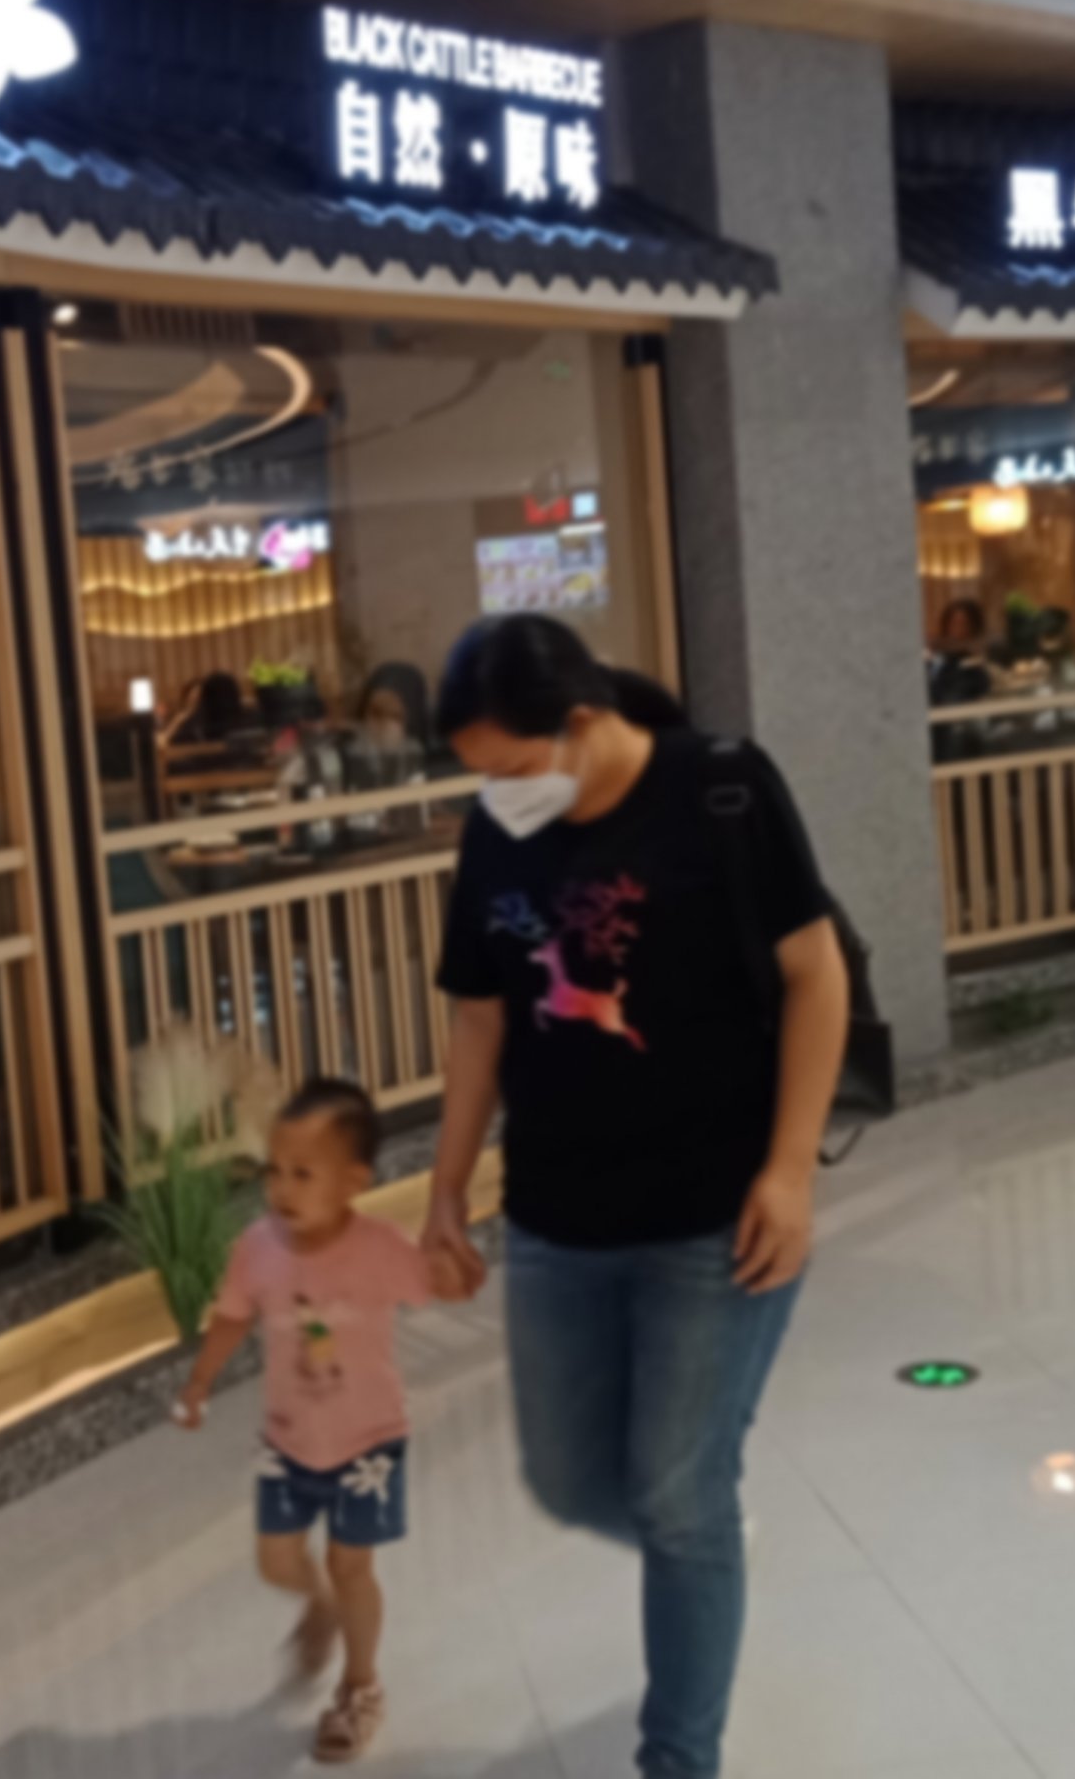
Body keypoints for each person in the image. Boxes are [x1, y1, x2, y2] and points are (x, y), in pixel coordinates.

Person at [421, 615, 848, 1779]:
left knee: (674, 1487)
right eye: (481, 776)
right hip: (556, 1210)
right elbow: (478, 1018)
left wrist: (789, 1169)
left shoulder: (720, 788)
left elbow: (814, 975)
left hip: (715, 1211)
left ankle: (678, 1754)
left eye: (512, 766)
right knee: (570, 1473)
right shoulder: (497, 829)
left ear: (578, 722)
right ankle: (699, 1520)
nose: (499, 794)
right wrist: (446, 1188)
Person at [173, 1080, 471, 1765]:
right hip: (288, 1440)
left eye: (302, 1174)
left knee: (350, 1565)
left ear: (352, 1182)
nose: (281, 1188)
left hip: (369, 1444)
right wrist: (199, 1381)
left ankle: (359, 1689)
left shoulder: (379, 1248)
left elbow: (441, 1286)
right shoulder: (256, 1248)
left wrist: (453, 1259)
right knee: (277, 1560)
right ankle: (320, 1605)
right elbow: (231, 1316)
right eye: (274, 1170)